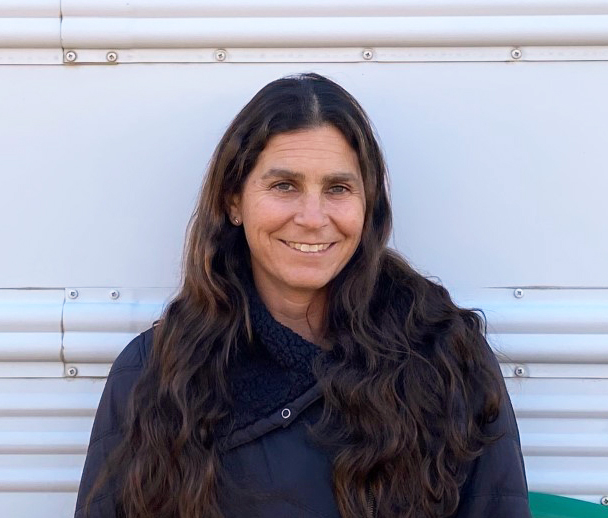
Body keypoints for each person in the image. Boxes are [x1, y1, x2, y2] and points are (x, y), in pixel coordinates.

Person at [74, 73, 531, 518]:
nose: (313, 217)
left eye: (337, 188)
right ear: (234, 200)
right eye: (284, 186)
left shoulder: (446, 357)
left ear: (367, 205)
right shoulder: (157, 372)